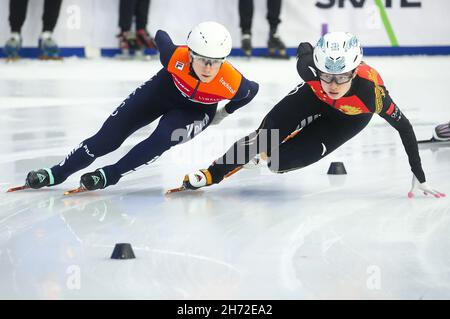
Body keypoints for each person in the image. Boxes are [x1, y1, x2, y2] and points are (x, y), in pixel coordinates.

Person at [179, 32, 445, 198]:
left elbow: (405, 128)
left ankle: (266, 157)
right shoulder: (309, 69)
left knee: (277, 163)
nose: (333, 85)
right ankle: (213, 172)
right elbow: (305, 47)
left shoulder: (371, 94)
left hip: (348, 119)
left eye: (341, 78)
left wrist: (419, 175)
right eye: (326, 76)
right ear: (317, 68)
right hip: (311, 98)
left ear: (354, 72)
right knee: (263, 137)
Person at [21, 22, 259, 192]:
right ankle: (56, 173)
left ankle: (109, 175)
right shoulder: (173, 56)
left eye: (216, 63)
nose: (208, 68)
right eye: (202, 60)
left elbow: (252, 91)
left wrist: (224, 113)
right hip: (162, 91)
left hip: (195, 112)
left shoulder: (233, 82)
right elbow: (160, 35)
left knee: (162, 138)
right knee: (108, 138)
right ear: (190, 55)